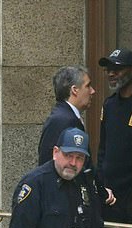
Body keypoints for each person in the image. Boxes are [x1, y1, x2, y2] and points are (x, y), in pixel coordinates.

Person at [37, 65, 116, 206]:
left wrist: (101, 190)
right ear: (74, 90)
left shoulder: (68, 116)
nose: (93, 91)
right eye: (88, 86)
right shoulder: (63, 120)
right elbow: (48, 163)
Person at [97, 48, 132, 228]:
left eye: (117, 69)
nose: (111, 73)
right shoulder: (110, 105)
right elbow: (103, 148)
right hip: (111, 198)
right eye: (109, 69)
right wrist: (101, 183)